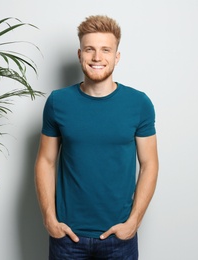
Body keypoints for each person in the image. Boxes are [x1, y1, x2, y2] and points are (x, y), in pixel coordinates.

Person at [34, 15, 159, 259]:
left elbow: (150, 164)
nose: (97, 57)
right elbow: (45, 161)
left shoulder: (139, 103)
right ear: (80, 54)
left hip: (119, 237)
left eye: (105, 50)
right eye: (90, 49)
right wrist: (49, 218)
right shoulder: (58, 102)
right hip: (68, 237)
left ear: (117, 57)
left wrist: (134, 221)